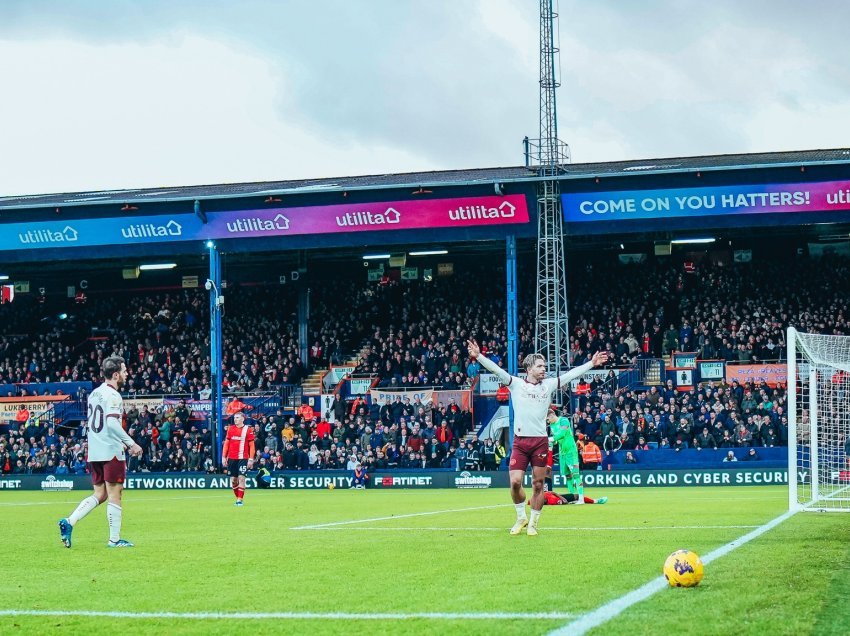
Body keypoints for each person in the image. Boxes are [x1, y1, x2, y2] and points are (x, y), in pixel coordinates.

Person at [467, 339, 609, 537]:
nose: (544, 369)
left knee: (538, 484)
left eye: (545, 366)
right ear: (529, 368)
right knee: (515, 482)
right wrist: (479, 356)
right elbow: (496, 371)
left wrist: (591, 364)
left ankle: (533, 522)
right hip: (520, 442)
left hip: (540, 442)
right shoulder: (515, 384)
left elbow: (570, 375)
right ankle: (520, 517)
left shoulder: (548, 385)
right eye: (540, 366)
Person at [58, 356, 142, 549]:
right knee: (115, 494)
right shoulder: (113, 396)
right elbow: (112, 423)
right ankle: (114, 540)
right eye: (124, 371)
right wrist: (131, 444)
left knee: (100, 494)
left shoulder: (95, 394)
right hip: (111, 451)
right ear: (115, 374)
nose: (127, 374)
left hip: (95, 450)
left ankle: (69, 522)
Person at [546, 409, 586, 504]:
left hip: (570, 451)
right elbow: (556, 439)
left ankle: (581, 498)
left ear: (552, 415)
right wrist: (551, 444)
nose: (548, 422)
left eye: (548, 419)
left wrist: (551, 438)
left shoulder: (563, 420)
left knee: (575, 474)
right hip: (562, 452)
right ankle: (573, 497)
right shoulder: (552, 425)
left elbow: (562, 434)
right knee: (567, 475)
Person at [222, 412, 255, 506]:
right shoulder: (230, 429)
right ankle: (238, 498)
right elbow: (226, 443)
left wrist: (251, 459)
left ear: (242, 419)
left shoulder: (248, 430)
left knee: (241, 478)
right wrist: (224, 457)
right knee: (233, 480)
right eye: (234, 417)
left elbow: (251, 445)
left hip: (243, 458)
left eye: (237, 417)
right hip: (231, 458)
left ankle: (239, 500)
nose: (235, 419)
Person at [537, 490, 608, 506]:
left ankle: (594, 501)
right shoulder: (552, 501)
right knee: (576, 496)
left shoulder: (544, 495)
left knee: (576, 496)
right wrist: (558, 495)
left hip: (559, 497)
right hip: (561, 499)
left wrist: (557, 494)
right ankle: (595, 501)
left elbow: (552, 492)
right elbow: (564, 501)